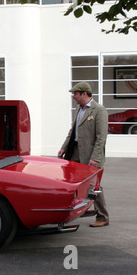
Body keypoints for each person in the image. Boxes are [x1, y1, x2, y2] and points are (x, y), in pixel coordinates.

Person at [58, 82, 109, 227]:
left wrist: (96, 157)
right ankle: (81, 208)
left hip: (91, 154)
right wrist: (64, 148)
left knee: (94, 185)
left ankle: (102, 216)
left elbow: (101, 137)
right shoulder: (79, 109)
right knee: (74, 183)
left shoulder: (99, 110)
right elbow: (72, 132)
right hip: (75, 152)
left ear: (84, 94)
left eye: (75, 94)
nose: (73, 97)